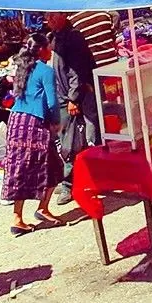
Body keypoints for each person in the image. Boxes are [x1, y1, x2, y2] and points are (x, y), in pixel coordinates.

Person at [0, 34, 64, 234]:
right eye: (48, 47)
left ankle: (32, 212)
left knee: (23, 167)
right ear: (42, 49)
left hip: (16, 121)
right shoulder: (45, 71)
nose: (51, 51)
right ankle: (22, 217)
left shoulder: (22, 68)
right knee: (41, 167)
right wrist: (55, 122)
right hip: (34, 123)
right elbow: (52, 102)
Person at [47, 12, 99, 204]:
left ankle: (71, 185)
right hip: (65, 95)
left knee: (75, 140)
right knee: (70, 139)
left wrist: (73, 98)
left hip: (76, 95)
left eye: (53, 15)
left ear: (62, 15)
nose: (49, 19)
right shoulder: (55, 37)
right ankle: (78, 180)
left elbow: (78, 70)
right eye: (47, 16)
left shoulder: (73, 36)